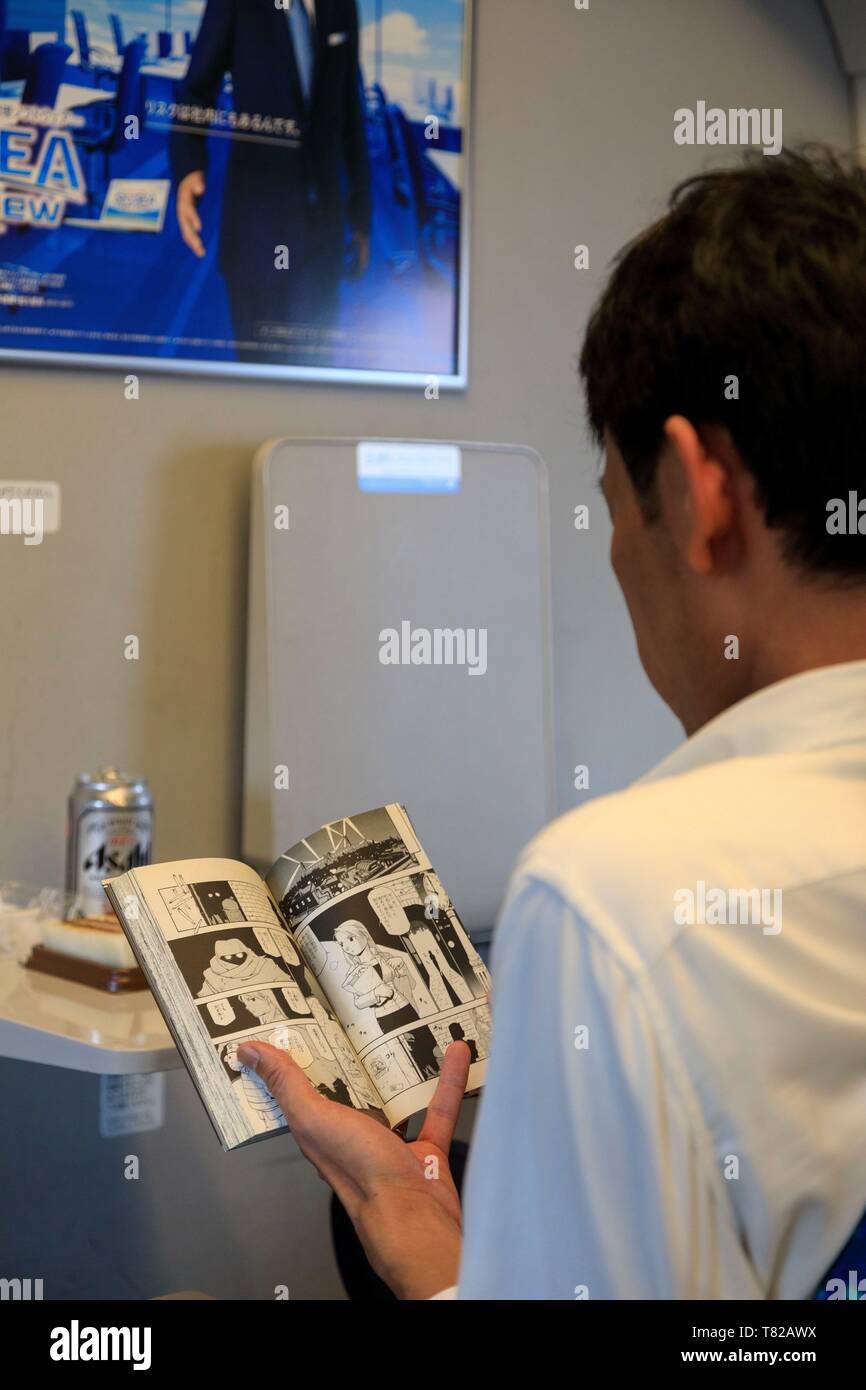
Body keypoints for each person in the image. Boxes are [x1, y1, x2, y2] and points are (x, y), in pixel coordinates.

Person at [239, 147, 866, 1300]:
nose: (619, 556)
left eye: (613, 511)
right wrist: (434, 1239)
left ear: (696, 492)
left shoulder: (617, 902)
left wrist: (420, 1256)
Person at [170, 0, 370, 361]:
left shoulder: (341, 6)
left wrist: (361, 216)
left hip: (322, 231)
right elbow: (196, 90)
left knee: (315, 377)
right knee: (259, 378)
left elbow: (350, 112)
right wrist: (188, 167)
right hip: (256, 231)